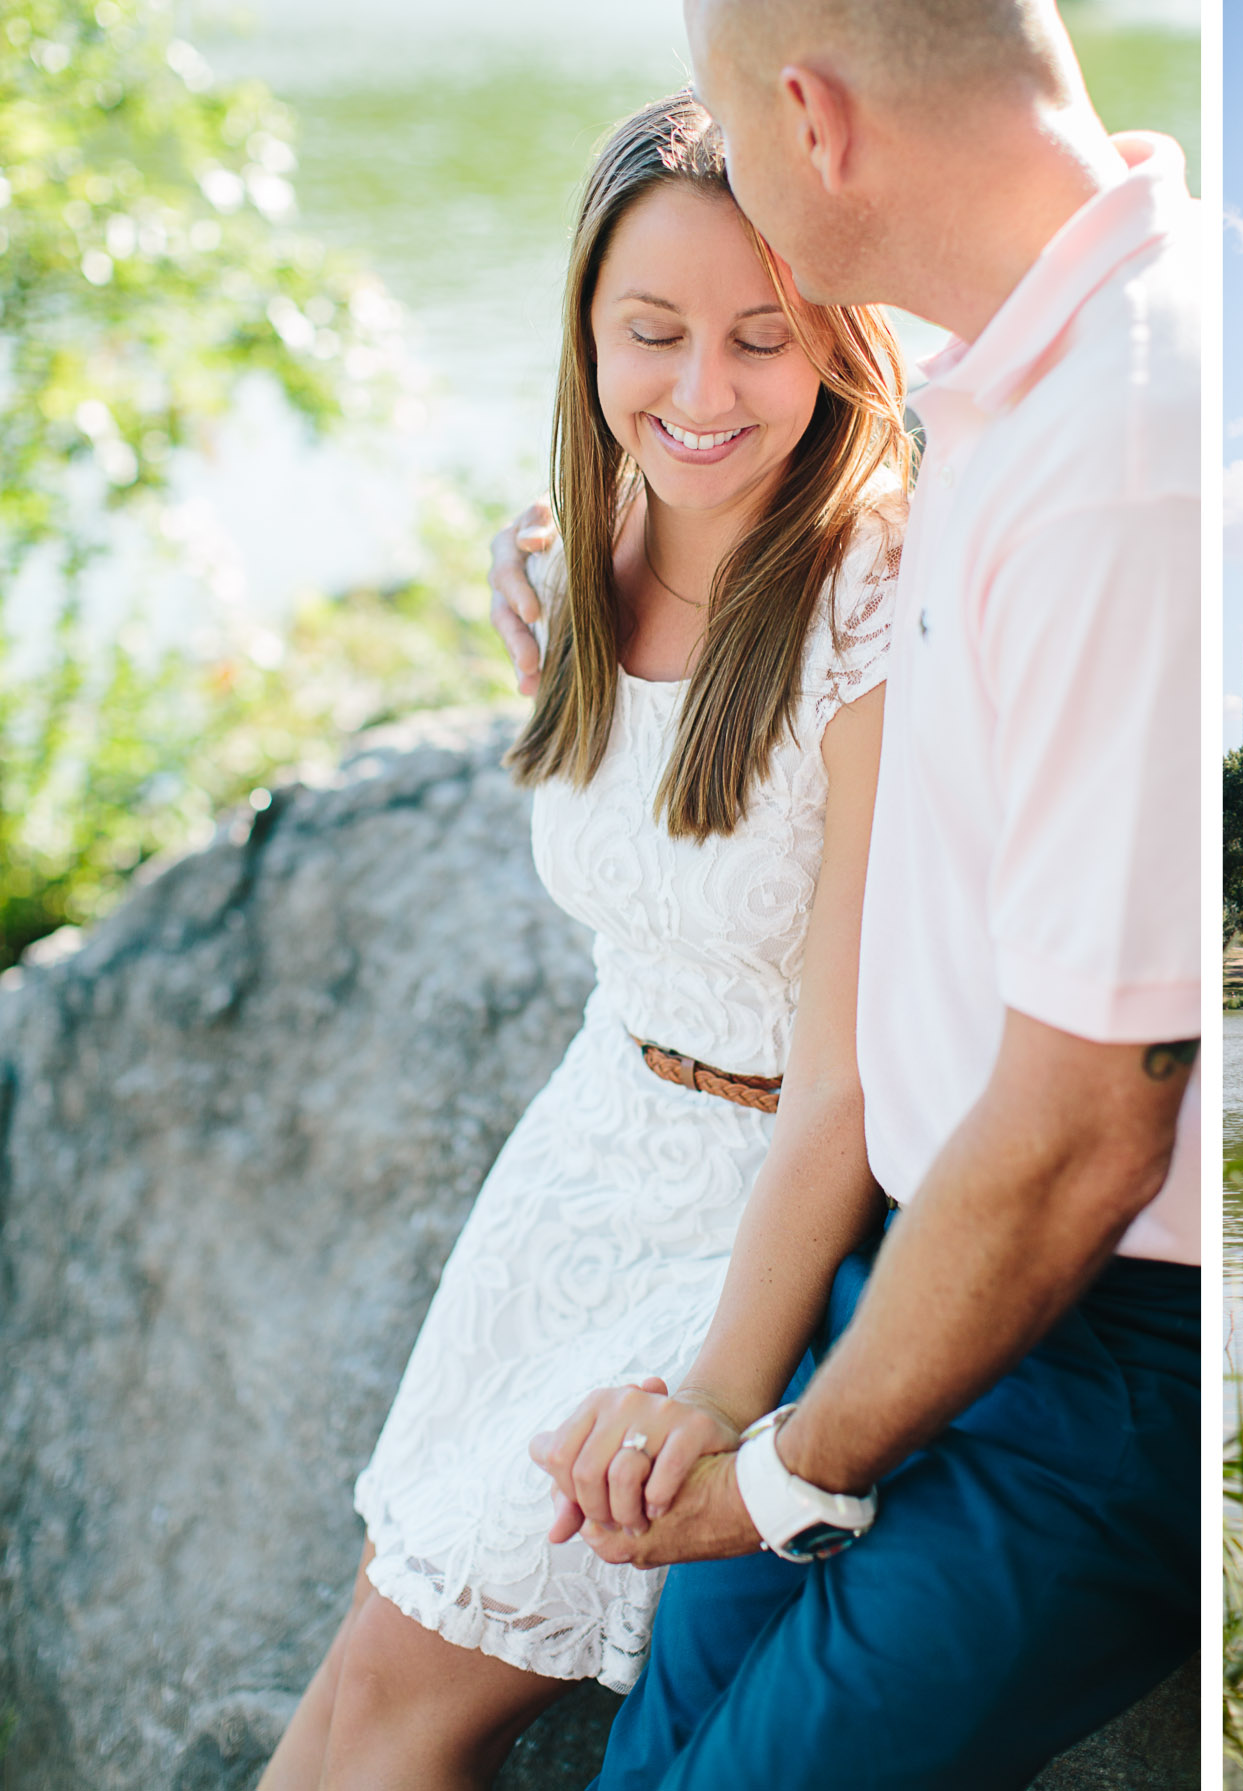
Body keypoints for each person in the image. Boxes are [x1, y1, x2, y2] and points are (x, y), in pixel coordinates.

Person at [490, 2, 1201, 1784]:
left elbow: (1081, 1136)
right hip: (904, 1272)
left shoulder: (1126, 450)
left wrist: (788, 1471)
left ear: (804, 113)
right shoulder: (1007, 380)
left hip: (1105, 1337)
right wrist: (600, 547)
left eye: (725, 108)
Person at [260, 92, 911, 1788]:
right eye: (654, 334)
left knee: (401, 1711)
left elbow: (844, 1085)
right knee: (355, 1680)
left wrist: (716, 1394)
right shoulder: (576, 560)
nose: (701, 393)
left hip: (755, 1208)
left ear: (839, 343)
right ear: (585, 335)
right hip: (583, 1154)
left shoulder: (870, 602)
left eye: (763, 341)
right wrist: (546, 581)